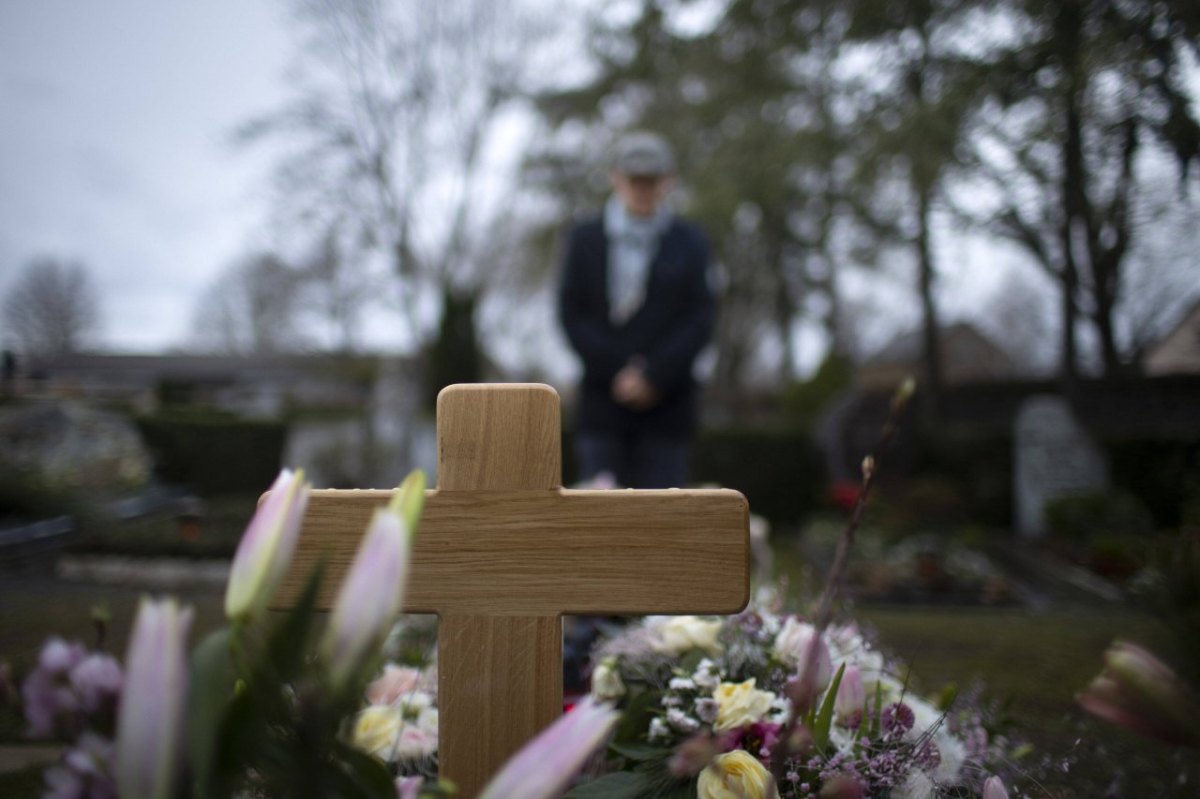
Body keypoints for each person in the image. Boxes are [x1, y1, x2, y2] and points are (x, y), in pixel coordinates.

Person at [558, 131, 715, 489]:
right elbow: (571, 313)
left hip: (668, 409)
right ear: (616, 178)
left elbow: (700, 317)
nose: (642, 189)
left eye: (652, 180)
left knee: (662, 526)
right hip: (602, 406)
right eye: (635, 180)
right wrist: (618, 371)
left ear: (668, 181)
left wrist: (655, 376)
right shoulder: (584, 238)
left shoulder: (690, 241)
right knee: (600, 525)